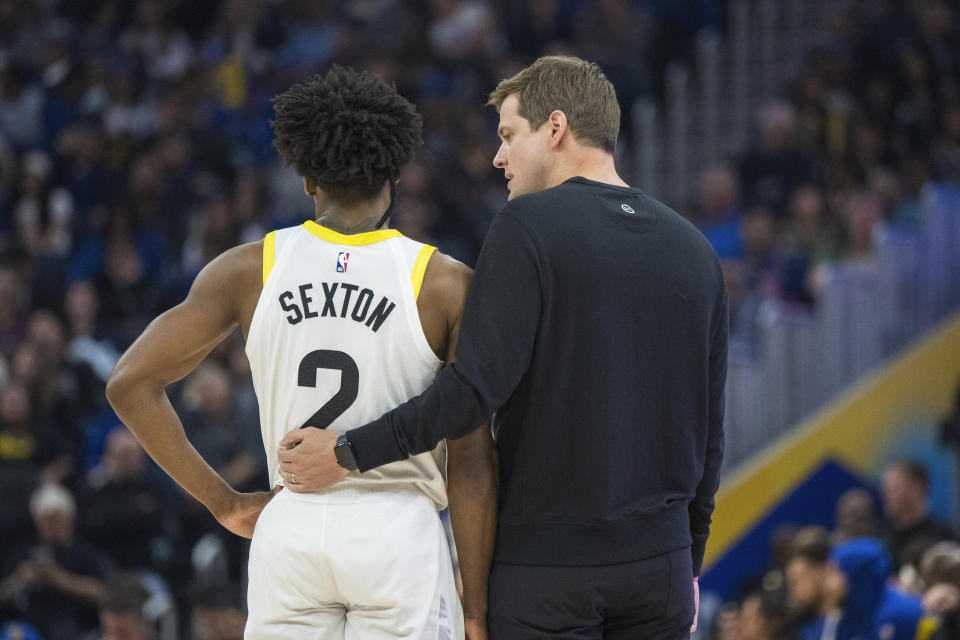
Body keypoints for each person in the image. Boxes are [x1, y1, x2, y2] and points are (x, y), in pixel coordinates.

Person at [278, 55, 727, 639]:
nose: (498, 157)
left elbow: (470, 394)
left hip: (549, 570)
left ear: (557, 128)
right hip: (661, 571)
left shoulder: (528, 225)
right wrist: (688, 561)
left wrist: (346, 452)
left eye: (509, 135)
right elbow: (710, 435)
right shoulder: (696, 250)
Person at [105, 66, 496, 639]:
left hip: (290, 522)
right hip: (396, 529)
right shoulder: (444, 282)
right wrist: (477, 608)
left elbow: (129, 383)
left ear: (307, 179)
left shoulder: (249, 268)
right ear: (394, 173)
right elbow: (471, 461)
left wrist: (225, 504)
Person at [882, 460, 955, 570]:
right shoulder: (883, 541)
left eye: (894, 487)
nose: (886, 494)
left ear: (916, 488)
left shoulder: (944, 539)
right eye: (885, 488)